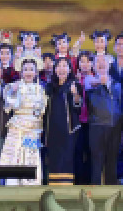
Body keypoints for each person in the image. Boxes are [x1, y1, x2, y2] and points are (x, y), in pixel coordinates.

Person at [0, 57, 48, 185]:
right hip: (17, 126)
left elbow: (42, 110)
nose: (28, 72)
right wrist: (13, 92)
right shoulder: (13, 86)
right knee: (15, 154)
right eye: (25, 69)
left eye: (31, 69)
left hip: (33, 128)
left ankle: (31, 183)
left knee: (31, 155)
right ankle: (12, 183)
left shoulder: (40, 89)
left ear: (36, 72)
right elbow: (8, 107)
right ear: (21, 72)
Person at [44, 56, 82, 185]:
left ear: (69, 69)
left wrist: (75, 94)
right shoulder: (49, 87)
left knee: (67, 159)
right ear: (55, 69)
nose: (61, 69)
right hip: (52, 130)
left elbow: (78, 107)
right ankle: (53, 186)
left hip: (68, 130)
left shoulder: (74, 84)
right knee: (53, 159)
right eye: (58, 66)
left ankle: (67, 187)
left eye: (64, 66)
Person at [86, 54, 123, 185]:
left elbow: (121, 106)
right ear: (93, 66)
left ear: (109, 65)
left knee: (112, 162)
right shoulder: (89, 82)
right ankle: (95, 191)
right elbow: (89, 89)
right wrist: (101, 83)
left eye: (104, 61)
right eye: (98, 61)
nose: (101, 63)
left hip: (114, 127)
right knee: (96, 163)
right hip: (97, 127)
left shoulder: (117, 84)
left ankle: (112, 191)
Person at [73, 51, 94, 184]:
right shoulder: (74, 81)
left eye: (88, 61)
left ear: (92, 64)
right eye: (82, 61)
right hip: (78, 122)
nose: (85, 64)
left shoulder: (97, 79)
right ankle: (79, 182)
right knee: (78, 152)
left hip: (92, 123)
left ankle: (90, 182)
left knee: (91, 152)